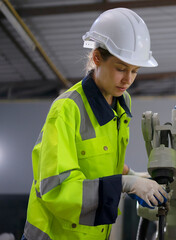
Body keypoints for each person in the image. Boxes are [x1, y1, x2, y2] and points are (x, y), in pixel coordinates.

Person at [22, 8, 167, 240]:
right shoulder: (67, 109)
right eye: (120, 69)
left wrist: (132, 175)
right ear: (97, 58)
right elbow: (57, 189)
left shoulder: (121, 101)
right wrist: (124, 184)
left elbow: (97, 155)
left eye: (135, 71)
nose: (127, 80)